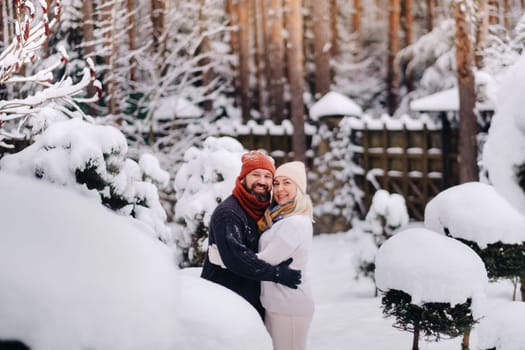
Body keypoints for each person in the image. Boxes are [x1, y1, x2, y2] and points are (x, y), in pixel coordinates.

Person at [201, 150, 302, 320]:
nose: (262, 181)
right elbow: (237, 259)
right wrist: (276, 273)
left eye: (267, 176)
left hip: (254, 302)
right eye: (256, 174)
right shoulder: (229, 214)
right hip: (226, 304)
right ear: (243, 177)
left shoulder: (267, 210)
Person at [256, 161, 315, 350]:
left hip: (290, 306)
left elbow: (264, 261)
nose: (280, 189)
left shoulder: (294, 224)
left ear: (298, 187)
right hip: (277, 303)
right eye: (276, 183)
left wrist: (228, 256)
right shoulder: (280, 218)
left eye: (287, 183)